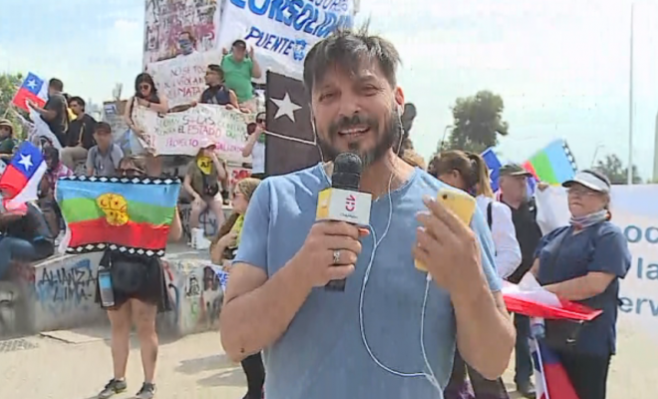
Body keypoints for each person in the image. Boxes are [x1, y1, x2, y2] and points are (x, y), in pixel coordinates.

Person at [218, 27, 515, 399]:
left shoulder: (450, 213)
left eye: (367, 89)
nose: (348, 109)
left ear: (398, 100)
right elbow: (235, 341)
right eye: (329, 95)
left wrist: (468, 284)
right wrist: (302, 270)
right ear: (312, 113)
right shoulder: (275, 200)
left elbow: (493, 362)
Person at [531, 170, 631, 399]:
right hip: (549, 340)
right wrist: (522, 293)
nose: (576, 195)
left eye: (586, 192)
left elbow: (594, 284)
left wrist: (542, 294)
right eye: (573, 190)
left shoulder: (609, 236)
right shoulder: (556, 235)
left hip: (587, 343)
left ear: (604, 199)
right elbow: (533, 272)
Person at [429, 150, 521, 399]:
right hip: (446, 303)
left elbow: (511, 253)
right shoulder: (441, 206)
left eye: (439, 175)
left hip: (479, 300)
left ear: (454, 176)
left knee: (486, 377)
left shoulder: (491, 209)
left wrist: (480, 279)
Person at [94, 155, 183, 399]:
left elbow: (175, 234)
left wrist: (171, 201)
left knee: (146, 327)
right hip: (113, 264)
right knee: (118, 326)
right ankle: (118, 379)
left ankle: (149, 383)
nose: (125, 176)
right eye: (121, 172)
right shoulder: (110, 196)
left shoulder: (155, 197)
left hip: (145, 266)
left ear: (142, 174)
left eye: (131, 172)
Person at [209, 177, 263, 399]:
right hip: (233, 291)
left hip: (255, 292)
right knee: (243, 346)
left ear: (250, 199)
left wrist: (238, 264)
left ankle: (256, 391)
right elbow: (214, 256)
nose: (232, 200)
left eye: (236, 195)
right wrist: (223, 244)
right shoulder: (234, 222)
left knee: (252, 347)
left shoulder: (261, 222)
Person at [498, 163, 544, 397]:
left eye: (524, 180)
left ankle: (523, 378)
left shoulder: (536, 208)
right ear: (502, 182)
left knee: (525, 334)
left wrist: (548, 196)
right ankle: (491, 379)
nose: (522, 184)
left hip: (528, 282)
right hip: (502, 281)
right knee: (496, 331)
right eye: (516, 179)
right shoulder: (493, 209)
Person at [0, 190, 55, 289]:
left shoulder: (23, 206)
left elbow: (10, 218)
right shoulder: (11, 206)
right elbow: (5, 229)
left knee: (7, 244)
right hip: (28, 242)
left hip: (41, 246)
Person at [124, 72, 169, 176]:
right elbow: (126, 117)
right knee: (139, 161)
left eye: (145, 87)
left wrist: (147, 104)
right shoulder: (133, 99)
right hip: (137, 134)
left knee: (154, 159)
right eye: (140, 87)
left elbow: (165, 109)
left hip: (155, 134)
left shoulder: (159, 97)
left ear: (151, 86)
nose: (143, 90)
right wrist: (133, 128)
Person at [182, 144, 227, 237]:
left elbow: (222, 176)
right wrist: (195, 195)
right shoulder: (194, 164)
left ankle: (221, 236)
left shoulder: (216, 162)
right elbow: (186, 183)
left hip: (213, 194)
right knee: (195, 210)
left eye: (212, 149)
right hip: (199, 194)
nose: (209, 152)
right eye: (207, 149)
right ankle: (195, 236)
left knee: (219, 209)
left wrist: (215, 160)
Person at [39, 147, 73, 238]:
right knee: (44, 203)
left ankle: (62, 231)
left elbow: (63, 190)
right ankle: (54, 234)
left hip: (67, 196)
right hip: (54, 195)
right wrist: (43, 176)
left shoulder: (63, 172)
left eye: (49, 159)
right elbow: (44, 189)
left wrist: (52, 193)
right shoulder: (47, 170)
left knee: (50, 202)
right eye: (45, 159)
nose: (47, 162)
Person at [221, 40, 262, 111]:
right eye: (238, 50)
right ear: (233, 49)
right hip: (228, 99)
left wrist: (252, 59)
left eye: (242, 50)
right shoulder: (225, 59)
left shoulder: (248, 62)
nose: (240, 53)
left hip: (246, 100)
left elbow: (258, 75)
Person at [28, 78, 69, 146]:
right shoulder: (62, 99)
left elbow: (50, 115)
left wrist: (35, 108)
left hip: (54, 136)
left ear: (50, 87)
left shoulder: (56, 98)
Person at [61, 96, 98, 171]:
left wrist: (83, 144)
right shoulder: (73, 123)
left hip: (86, 149)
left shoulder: (89, 121)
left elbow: (92, 138)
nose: (72, 108)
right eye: (71, 106)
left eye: (75, 106)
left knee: (65, 152)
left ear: (82, 107)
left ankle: (70, 174)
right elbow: (68, 139)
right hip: (74, 148)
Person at [241, 112, 266, 179]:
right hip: (257, 172)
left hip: (270, 173)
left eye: (265, 121)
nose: (263, 123)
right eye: (260, 121)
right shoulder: (252, 136)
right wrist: (255, 136)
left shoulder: (273, 137)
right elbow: (245, 154)